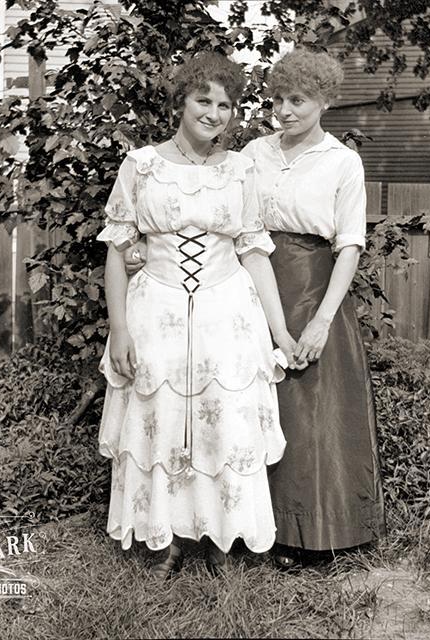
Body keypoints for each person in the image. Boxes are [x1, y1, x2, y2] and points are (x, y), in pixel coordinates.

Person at [96, 52, 296, 580]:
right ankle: (165, 543)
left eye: (225, 104)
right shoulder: (142, 166)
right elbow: (118, 250)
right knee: (160, 426)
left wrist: (280, 333)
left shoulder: (239, 171)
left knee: (223, 427)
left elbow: (254, 252)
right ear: (180, 102)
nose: (214, 113)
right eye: (203, 100)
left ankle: (223, 540)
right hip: (155, 309)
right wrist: (118, 329)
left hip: (226, 314)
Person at [240, 48, 386, 567]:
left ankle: (316, 534)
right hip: (253, 285)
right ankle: (255, 530)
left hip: (315, 289)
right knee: (257, 404)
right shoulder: (254, 154)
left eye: (297, 99)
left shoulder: (342, 162)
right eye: (278, 98)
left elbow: (350, 244)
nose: (285, 109)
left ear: (324, 100)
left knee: (310, 412)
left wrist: (323, 320)